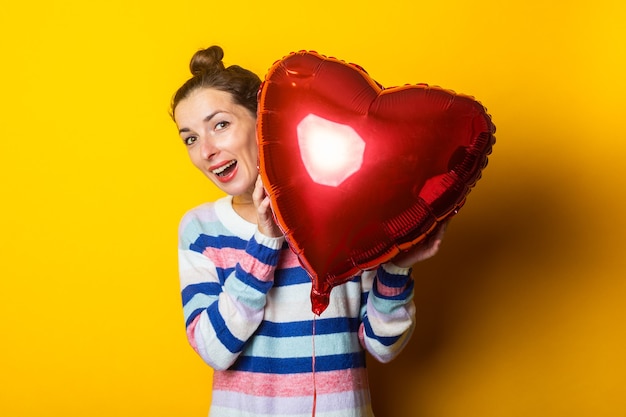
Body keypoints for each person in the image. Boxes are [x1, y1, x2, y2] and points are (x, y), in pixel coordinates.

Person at [171, 45, 446, 417]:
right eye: (190, 138)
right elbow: (214, 349)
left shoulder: (346, 213)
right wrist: (266, 241)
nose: (206, 150)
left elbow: (384, 346)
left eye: (220, 125)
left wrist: (397, 268)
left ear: (262, 119)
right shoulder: (201, 228)